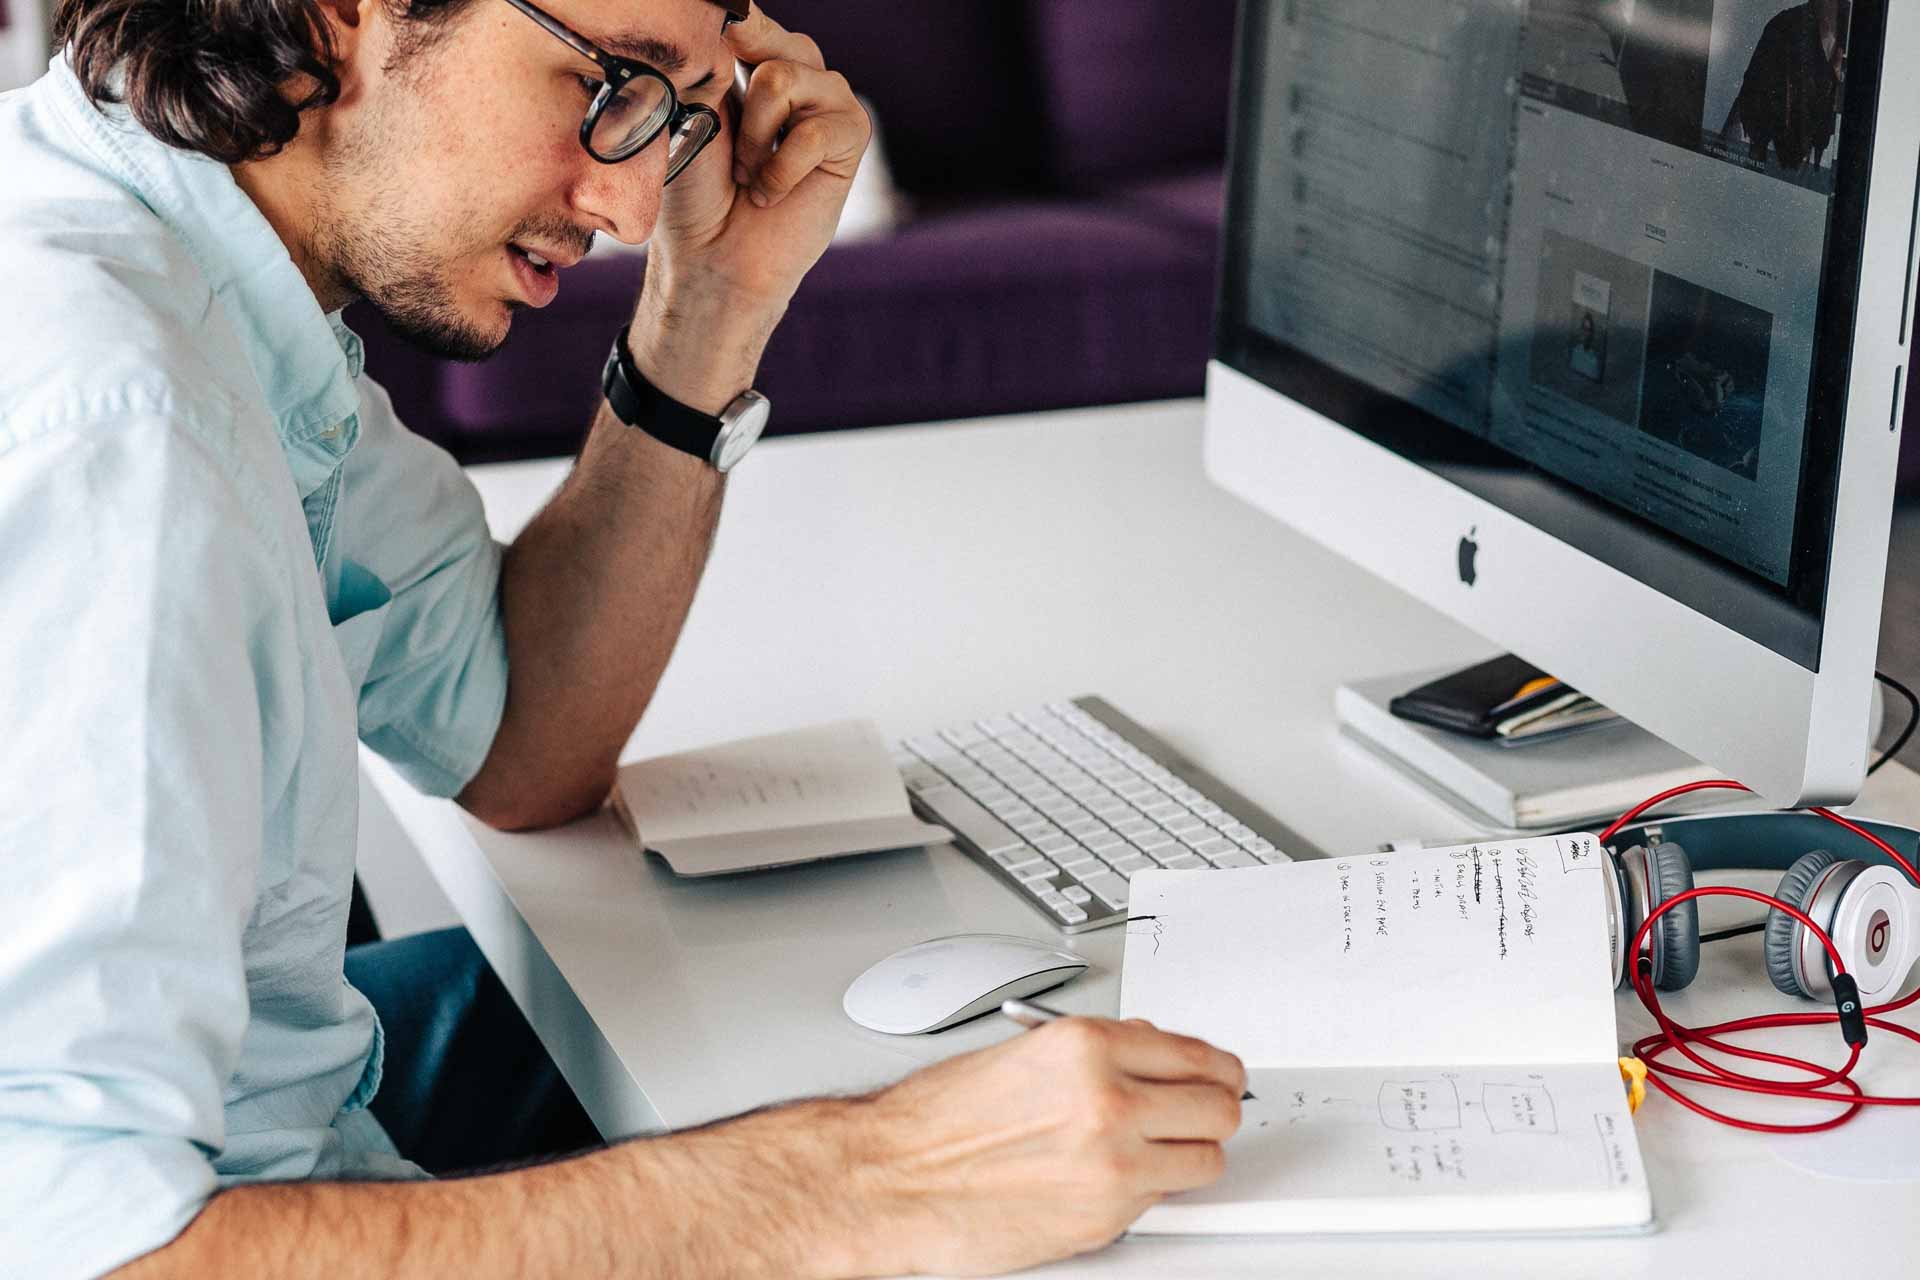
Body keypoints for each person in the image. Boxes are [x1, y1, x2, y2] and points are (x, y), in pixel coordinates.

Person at [0, 2, 1245, 1277]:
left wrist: (710, 307)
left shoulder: (211, 277)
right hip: (217, 1211)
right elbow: (83, 1246)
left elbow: (520, 740)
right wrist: (864, 1181)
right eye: (609, 86)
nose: (635, 207)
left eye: (681, 116)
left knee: (781, 1008)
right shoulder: (123, 431)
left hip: (283, 1107)